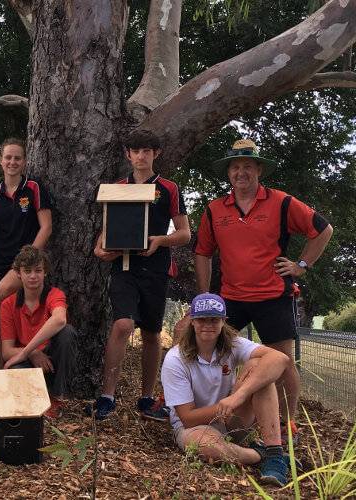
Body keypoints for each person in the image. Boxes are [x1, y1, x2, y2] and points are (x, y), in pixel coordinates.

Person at [194, 139, 333, 442]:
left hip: (273, 296)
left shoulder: (281, 202)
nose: (241, 172)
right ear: (228, 173)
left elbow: (323, 229)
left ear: (259, 169)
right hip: (230, 297)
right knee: (203, 352)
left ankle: (287, 426)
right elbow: (202, 252)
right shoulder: (214, 210)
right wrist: (205, 297)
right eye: (235, 167)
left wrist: (301, 265)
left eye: (247, 166)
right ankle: (200, 413)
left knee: (281, 364)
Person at [88, 131, 190, 421]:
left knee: (151, 333)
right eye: (136, 151)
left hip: (156, 270)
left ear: (156, 153)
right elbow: (109, 229)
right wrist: (99, 247)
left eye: (147, 150)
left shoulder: (169, 188)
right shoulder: (117, 187)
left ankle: (146, 398)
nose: (141, 156)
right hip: (123, 267)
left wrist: (159, 241)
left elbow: (184, 234)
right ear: (128, 155)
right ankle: (107, 396)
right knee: (122, 324)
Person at [161, 293, 294, 487]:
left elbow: (280, 358)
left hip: (231, 418)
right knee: (208, 449)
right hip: (194, 427)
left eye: (214, 319)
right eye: (201, 319)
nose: (208, 324)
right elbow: (187, 417)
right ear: (192, 322)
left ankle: (274, 455)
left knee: (260, 367)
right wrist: (223, 407)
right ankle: (262, 454)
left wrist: (237, 397)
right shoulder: (175, 359)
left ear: (223, 321)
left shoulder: (232, 343)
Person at [0, 138, 52, 370]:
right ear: (0, 161)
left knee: (7, 299)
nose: (12, 162)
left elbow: (46, 227)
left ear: (24, 162)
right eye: (8, 157)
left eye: (17, 158)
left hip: (24, 263)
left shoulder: (34, 188)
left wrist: (28, 261)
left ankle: (17, 366)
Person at [1, 245, 77, 419]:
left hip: (52, 359)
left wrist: (27, 350)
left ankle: (57, 397)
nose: (33, 276)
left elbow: (60, 319)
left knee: (67, 332)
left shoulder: (54, 294)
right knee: (13, 371)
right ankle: (36, 398)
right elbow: (6, 352)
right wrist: (33, 353)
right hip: (27, 361)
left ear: (46, 272)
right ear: (18, 273)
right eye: (27, 271)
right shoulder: (8, 304)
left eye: (38, 270)